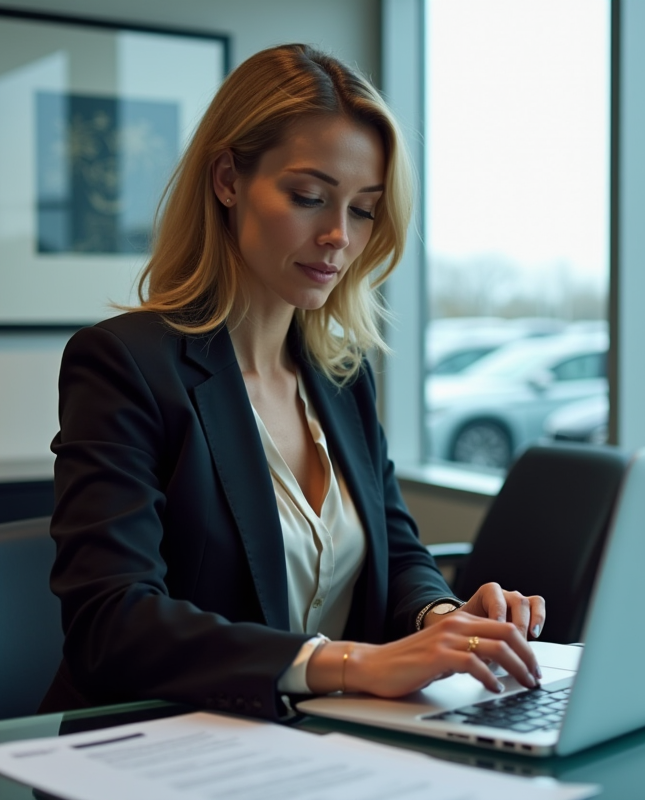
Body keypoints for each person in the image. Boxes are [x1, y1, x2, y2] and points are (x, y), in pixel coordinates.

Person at [39, 44, 545, 722]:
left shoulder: (342, 376)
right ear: (228, 180)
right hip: (157, 746)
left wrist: (444, 616)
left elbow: (395, 550)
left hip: (317, 746)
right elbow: (112, 622)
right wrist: (351, 663)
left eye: (363, 210)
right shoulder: (125, 364)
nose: (338, 236)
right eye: (310, 197)